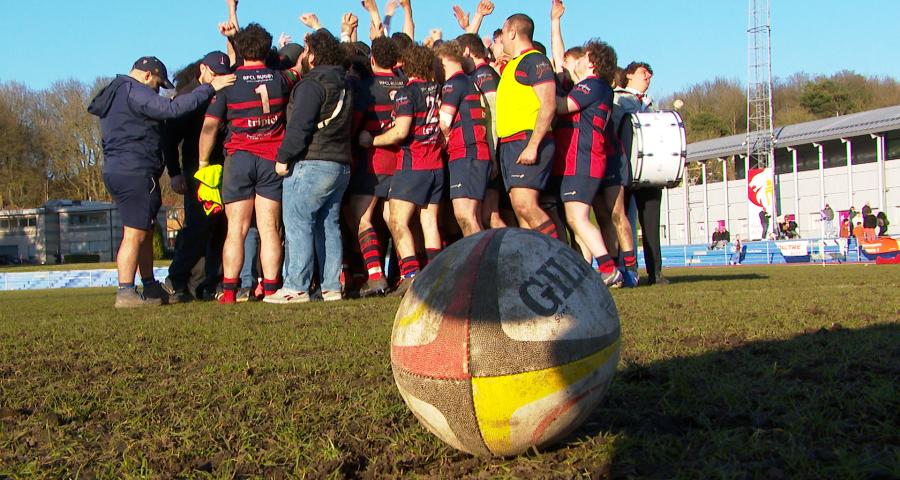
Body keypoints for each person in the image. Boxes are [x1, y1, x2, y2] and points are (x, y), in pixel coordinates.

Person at [88, 56, 234, 308]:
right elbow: (171, 109)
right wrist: (211, 87)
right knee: (134, 234)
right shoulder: (133, 90)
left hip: (118, 169)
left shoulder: (114, 94)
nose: (157, 91)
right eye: (156, 84)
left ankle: (151, 286)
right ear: (147, 75)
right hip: (136, 171)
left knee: (144, 230)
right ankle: (125, 291)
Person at [200, 23, 301, 305]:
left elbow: (209, 127)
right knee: (270, 229)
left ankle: (230, 292)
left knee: (236, 229)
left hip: (239, 159)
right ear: (268, 49)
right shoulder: (281, 79)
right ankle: (270, 289)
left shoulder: (229, 83)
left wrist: (203, 161)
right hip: (272, 159)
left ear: (241, 51)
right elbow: (300, 67)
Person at [266, 29, 352, 304]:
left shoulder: (311, 85)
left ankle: (295, 286)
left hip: (311, 163)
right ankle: (330, 287)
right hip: (340, 164)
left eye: (305, 51)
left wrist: (283, 158)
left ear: (313, 55)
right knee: (329, 224)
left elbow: (300, 126)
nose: (302, 56)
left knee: (298, 223)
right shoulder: (344, 83)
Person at [359, 45, 443, 297]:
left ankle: (411, 277)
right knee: (429, 223)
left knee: (396, 220)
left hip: (413, 164)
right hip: (437, 165)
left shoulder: (408, 92)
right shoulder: (438, 89)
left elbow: (401, 131)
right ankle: (437, 279)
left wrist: (370, 140)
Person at [551, 39, 623, 287]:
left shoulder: (592, 86)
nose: (578, 59)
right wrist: (555, 22)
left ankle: (608, 268)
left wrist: (539, 87)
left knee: (577, 218)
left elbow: (561, 106)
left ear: (591, 62)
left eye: (584, 56)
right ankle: (597, 269)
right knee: (577, 218)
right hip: (584, 160)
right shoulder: (598, 87)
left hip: (584, 160)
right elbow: (561, 62)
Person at [163, 52, 233, 303]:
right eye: (215, 75)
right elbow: (170, 139)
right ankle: (177, 278)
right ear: (203, 69)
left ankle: (206, 283)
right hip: (196, 169)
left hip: (222, 165)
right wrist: (174, 173)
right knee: (198, 226)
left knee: (218, 226)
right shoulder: (187, 96)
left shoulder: (224, 89)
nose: (219, 80)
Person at [344, 36, 406, 298]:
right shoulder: (406, 84)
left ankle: (375, 275)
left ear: (372, 60)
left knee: (362, 217)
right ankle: (408, 274)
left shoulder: (366, 87)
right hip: (403, 159)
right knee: (396, 219)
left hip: (373, 158)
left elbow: (355, 122)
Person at [495, 13, 558, 238]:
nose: (501, 38)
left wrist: (533, 145)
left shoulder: (534, 60)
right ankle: (535, 268)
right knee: (521, 212)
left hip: (526, 140)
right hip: (510, 145)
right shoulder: (514, 65)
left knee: (525, 205)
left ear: (512, 32)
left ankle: (562, 262)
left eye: (502, 32)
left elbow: (549, 104)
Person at [436, 40, 492, 236]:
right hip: (477, 152)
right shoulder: (469, 81)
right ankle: (481, 260)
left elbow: (444, 122)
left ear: (442, 60)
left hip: (466, 152)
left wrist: (443, 139)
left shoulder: (453, 83)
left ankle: (479, 263)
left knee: (464, 215)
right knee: (473, 216)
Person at [608, 61, 654, 285]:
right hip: (621, 167)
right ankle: (621, 267)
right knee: (620, 216)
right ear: (628, 75)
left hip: (641, 170)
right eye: (643, 72)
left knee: (631, 218)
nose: (648, 76)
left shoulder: (646, 103)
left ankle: (634, 269)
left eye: (650, 73)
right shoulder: (619, 99)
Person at [457, 32, 507, 229]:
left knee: (490, 216)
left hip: (491, 150)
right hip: (490, 151)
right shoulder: (477, 75)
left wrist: (493, 155)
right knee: (486, 216)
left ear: (467, 52)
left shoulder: (484, 75)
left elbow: (493, 116)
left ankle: (512, 257)